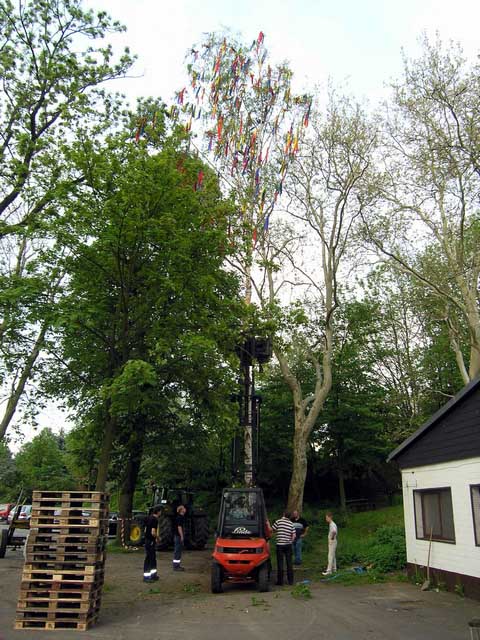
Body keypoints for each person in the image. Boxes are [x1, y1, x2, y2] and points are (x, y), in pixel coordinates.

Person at [272, 511, 295, 586]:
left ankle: (280, 581)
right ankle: (290, 581)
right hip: (288, 545)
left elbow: (272, 530)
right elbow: (294, 535)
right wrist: (290, 541)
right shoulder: (291, 524)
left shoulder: (278, 521)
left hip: (280, 545)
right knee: (289, 563)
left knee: (280, 563)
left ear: (283, 514)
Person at [143, 505, 161, 582]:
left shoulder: (148, 518)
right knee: (150, 558)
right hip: (151, 541)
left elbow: (145, 530)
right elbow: (153, 532)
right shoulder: (155, 520)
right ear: (158, 512)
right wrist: (158, 538)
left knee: (152, 558)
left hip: (147, 540)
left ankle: (153, 575)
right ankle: (146, 577)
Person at [173, 504, 186, 571]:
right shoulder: (179, 517)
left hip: (177, 536)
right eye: (184, 508)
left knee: (178, 551)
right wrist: (182, 536)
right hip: (178, 536)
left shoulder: (180, 517)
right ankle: (176, 566)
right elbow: (179, 527)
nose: (185, 509)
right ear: (181, 510)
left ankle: (177, 565)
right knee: (177, 551)